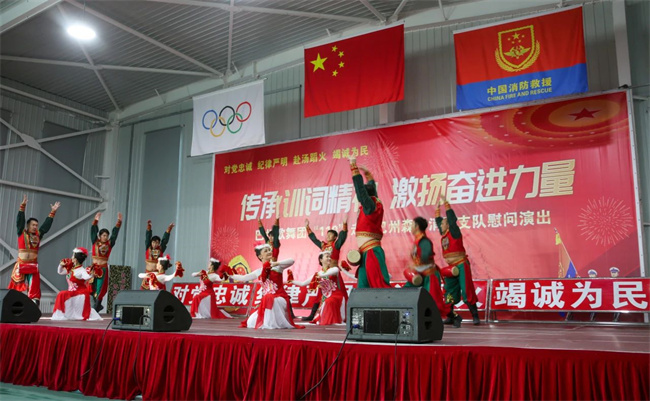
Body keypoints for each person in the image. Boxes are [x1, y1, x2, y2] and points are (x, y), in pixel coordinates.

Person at [230, 244, 303, 329]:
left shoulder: (278, 267)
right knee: (251, 322)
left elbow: (292, 261)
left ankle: (270, 324)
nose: (269, 252)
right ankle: (269, 323)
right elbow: (243, 278)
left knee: (268, 297)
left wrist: (276, 263)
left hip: (280, 298)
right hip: (267, 300)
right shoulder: (258, 272)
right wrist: (229, 275)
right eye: (265, 251)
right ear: (260, 256)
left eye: (269, 250)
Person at [404, 217, 458, 327]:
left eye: (412, 225)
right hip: (420, 276)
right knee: (406, 292)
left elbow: (425, 256)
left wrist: (414, 265)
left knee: (434, 303)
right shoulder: (417, 241)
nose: (410, 227)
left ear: (417, 227)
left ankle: (455, 316)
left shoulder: (424, 241)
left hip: (430, 276)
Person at [435, 196, 480, 325]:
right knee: (449, 290)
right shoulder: (443, 235)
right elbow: (438, 221)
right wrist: (437, 209)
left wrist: (446, 204)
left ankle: (475, 315)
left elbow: (452, 220)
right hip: (451, 267)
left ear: (448, 225)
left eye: (443, 224)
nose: (441, 225)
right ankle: (451, 316)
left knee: (466, 289)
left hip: (461, 264)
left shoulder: (454, 232)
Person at [9, 195, 60, 306]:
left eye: (36, 225)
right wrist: (22, 206)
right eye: (33, 225)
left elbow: (45, 227)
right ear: (28, 225)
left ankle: (34, 307)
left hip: (32, 266)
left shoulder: (38, 235)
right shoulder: (21, 232)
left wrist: (52, 212)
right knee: (16, 288)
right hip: (21, 264)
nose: (35, 227)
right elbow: (19, 221)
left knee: (34, 289)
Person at [348, 157, 390, 288]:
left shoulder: (370, 206)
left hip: (372, 253)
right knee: (362, 287)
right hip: (366, 253)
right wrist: (368, 175)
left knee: (378, 285)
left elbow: (361, 192)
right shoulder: (374, 203)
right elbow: (371, 190)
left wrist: (354, 167)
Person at [289, 251, 348, 325]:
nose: (329, 258)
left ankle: (332, 320)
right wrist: (291, 281)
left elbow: (330, 272)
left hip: (336, 296)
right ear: (321, 260)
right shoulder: (317, 274)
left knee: (328, 302)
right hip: (326, 298)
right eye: (327, 257)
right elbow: (303, 283)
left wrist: (319, 275)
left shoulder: (334, 269)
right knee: (326, 303)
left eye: (330, 257)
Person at [52, 247, 101, 321]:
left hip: (80, 292)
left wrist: (92, 274)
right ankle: (61, 314)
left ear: (75, 259)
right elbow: (60, 272)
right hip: (72, 292)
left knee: (61, 294)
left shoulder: (81, 270)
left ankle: (61, 314)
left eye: (73, 255)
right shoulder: (71, 268)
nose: (71, 257)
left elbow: (86, 277)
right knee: (62, 294)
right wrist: (61, 264)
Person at [88, 212, 122, 312]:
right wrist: (96, 220)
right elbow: (93, 231)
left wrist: (119, 222)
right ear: (99, 236)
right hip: (94, 268)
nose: (105, 237)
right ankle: (96, 305)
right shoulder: (95, 242)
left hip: (102, 269)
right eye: (104, 235)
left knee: (100, 288)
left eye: (107, 235)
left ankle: (96, 306)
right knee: (91, 287)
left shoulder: (109, 244)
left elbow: (115, 234)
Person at [142, 220, 174, 289]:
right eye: (153, 242)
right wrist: (149, 226)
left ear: (159, 243)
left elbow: (164, 241)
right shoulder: (148, 248)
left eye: (157, 243)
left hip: (158, 275)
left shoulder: (161, 249)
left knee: (157, 290)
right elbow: (147, 238)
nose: (155, 244)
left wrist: (169, 229)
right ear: (151, 243)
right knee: (145, 290)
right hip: (148, 274)